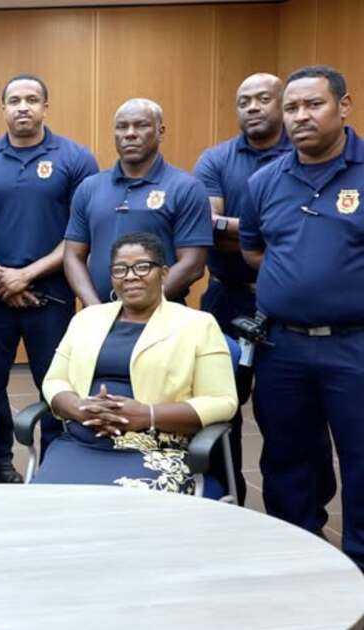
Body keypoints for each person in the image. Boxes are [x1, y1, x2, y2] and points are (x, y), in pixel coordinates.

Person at [241, 65, 364, 569]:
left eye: (313, 104)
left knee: (360, 458)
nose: (300, 116)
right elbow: (253, 249)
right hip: (283, 347)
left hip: (354, 346)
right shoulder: (265, 180)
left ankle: (359, 565)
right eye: (291, 108)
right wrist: (299, 283)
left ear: (344, 106)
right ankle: (296, 556)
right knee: (288, 458)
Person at [0, 74, 100, 483]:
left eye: (32, 100)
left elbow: (80, 232)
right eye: (15, 100)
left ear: (45, 107)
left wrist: (27, 274)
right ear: (2, 108)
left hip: (51, 294)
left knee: (55, 387)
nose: (23, 107)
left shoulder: (76, 158)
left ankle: (56, 474)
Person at [36, 232, 237, 495]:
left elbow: (223, 401)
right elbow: (54, 380)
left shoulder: (198, 325)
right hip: (81, 442)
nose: (130, 276)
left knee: (124, 513)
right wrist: (79, 408)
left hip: (157, 448)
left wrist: (147, 415)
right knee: (45, 506)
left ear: (163, 273)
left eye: (142, 267)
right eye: (120, 269)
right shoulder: (87, 319)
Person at [193, 73, 292, 505]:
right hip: (226, 297)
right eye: (244, 100)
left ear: (281, 104)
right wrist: (275, 232)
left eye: (263, 99)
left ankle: (290, 514)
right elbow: (208, 226)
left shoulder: (301, 155)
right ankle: (225, 499)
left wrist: (236, 228)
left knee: (284, 411)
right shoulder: (216, 159)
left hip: (284, 301)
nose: (252, 107)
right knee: (219, 403)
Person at [64, 98, 212, 306]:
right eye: (122, 127)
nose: (130, 133)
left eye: (141, 125)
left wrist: (136, 307)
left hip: (162, 314)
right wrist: (95, 310)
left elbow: (193, 264)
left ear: (160, 131)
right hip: (99, 314)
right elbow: (73, 256)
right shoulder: (89, 188)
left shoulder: (186, 188)